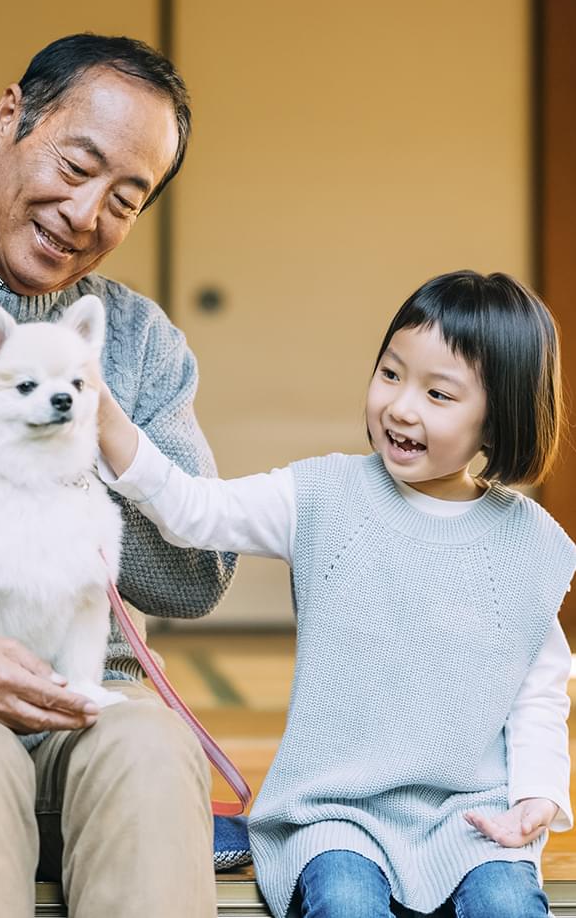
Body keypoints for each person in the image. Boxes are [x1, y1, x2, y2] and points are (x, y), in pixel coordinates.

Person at [0, 33, 236, 918]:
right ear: (6, 120)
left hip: (83, 697)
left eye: (125, 198)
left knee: (149, 746)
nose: (85, 213)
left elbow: (199, 576)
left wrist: (91, 447)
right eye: (77, 165)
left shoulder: (138, 344)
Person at [96, 270, 574, 918]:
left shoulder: (528, 544)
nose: (401, 406)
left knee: (508, 906)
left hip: (471, 815)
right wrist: (103, 420)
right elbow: (194, 510)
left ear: (501, 415)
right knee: (344, 899)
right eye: (390, 374)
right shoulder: (325, 496)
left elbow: (538, 692)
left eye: (438, 393)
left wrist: (537, 796)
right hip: (336, 810)